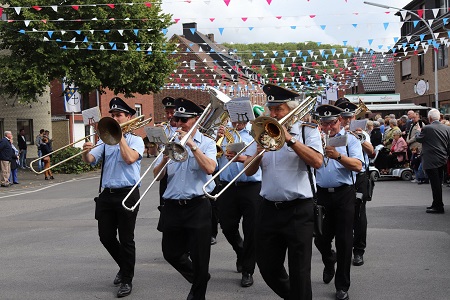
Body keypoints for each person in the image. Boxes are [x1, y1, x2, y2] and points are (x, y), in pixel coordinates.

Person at [244, 83, 323, 300]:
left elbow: (317, 161)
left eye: (278, 110)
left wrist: (290, 139)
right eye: (271, 109)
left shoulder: (308, 132)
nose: (273, 114)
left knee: (299, 271)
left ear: (291, 110)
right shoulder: (262, 131)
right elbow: (249, 171)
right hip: (268, 208)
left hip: (299, 209)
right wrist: (258, 153)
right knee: (267, 267)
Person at [153, 97, 217, 300]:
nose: (179, 124)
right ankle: (200, 278)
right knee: (170, 253)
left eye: (184, 120)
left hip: (197, 205)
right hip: (172, 205)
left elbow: (209, 168)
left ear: (196, 120)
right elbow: (157, 176)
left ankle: (198, 293)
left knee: (199, 256)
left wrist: (192, 146)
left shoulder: (207, 143)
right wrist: (164, 156)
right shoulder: (168, 141)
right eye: (177, 120)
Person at [82, 97, 145, 298]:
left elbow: (129, 159)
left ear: (129, 117)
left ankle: (127, 279)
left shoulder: (136, 140)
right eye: (113, 115)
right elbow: (91, 160)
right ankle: (125, 266)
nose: (115, 118)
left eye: (119, 115)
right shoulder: (105, 141)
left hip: (128, 193)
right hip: (107, 194)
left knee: (127, 239)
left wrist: (120, 137)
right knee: (106, 236)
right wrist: (85, 152)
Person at [314, 104, 364, 300]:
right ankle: (329, 260)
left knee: (344, 240)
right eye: (324, 123)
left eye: (332, 123)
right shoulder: (315, 140)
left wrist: (339, 156)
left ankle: (342, 286)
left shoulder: (350, 140)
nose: (328, 127)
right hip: (322, 194)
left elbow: (358, 165)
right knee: (320, 238)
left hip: (344, 194)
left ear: (340, 121)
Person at [215, 117, 262, 288]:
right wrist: (216, 140)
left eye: (241, 117)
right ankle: (240, 250)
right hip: (227, 186)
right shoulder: (221, 133)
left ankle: (248, 269)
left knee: (251, 230)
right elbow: (213, 157)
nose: (237, 121)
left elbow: (260, 157)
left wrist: (243, 158)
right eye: (234, 117)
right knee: (227, 226)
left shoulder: (255, 134)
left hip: (251, 186)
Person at [335, 99, 374, 268]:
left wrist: (359, 138)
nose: (347, 121)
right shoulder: (334, 133)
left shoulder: (361, 133)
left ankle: (358, 250)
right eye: (344, 117)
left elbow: (371, 153)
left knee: (358, 214)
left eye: (349, 117)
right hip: (340, 176)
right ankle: (341, 247)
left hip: (359, 176)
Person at [416, 109, 450, 214]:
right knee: (438, 183)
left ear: (430, 118)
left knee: (435, 184)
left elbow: (419, 139)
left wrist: (418, 131)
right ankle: (436, 203)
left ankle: (438, 206)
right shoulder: (447, 128)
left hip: (431, 159)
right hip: (443, 158)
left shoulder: (427, 128)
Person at [156, 96, 178, 233]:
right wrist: (156, 137)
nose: (169, 116)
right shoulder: (164, 129)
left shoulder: (185, 129)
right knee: (164, 203)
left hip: (179, 169)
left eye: (172, 112)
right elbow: (154, 151)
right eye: (167, 112)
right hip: (165, 171)